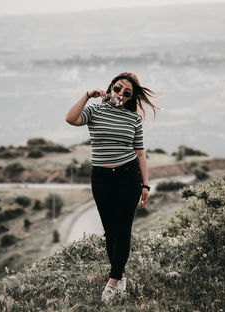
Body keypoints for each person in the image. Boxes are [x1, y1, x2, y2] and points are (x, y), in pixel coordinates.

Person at [65, 72, 160, 303]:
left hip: (128, 177)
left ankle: (114, 280)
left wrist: (145, 184)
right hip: (101, 179)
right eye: (117, 88)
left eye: (126, 93)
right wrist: (88, 95)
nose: (120, 94)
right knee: (110, 230)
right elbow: (71, 118)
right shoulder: (95, 111)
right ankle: (120, 273)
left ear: (130, 98)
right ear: (110, 88)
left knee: (123, 229)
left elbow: (140, 153)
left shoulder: (133, 120)